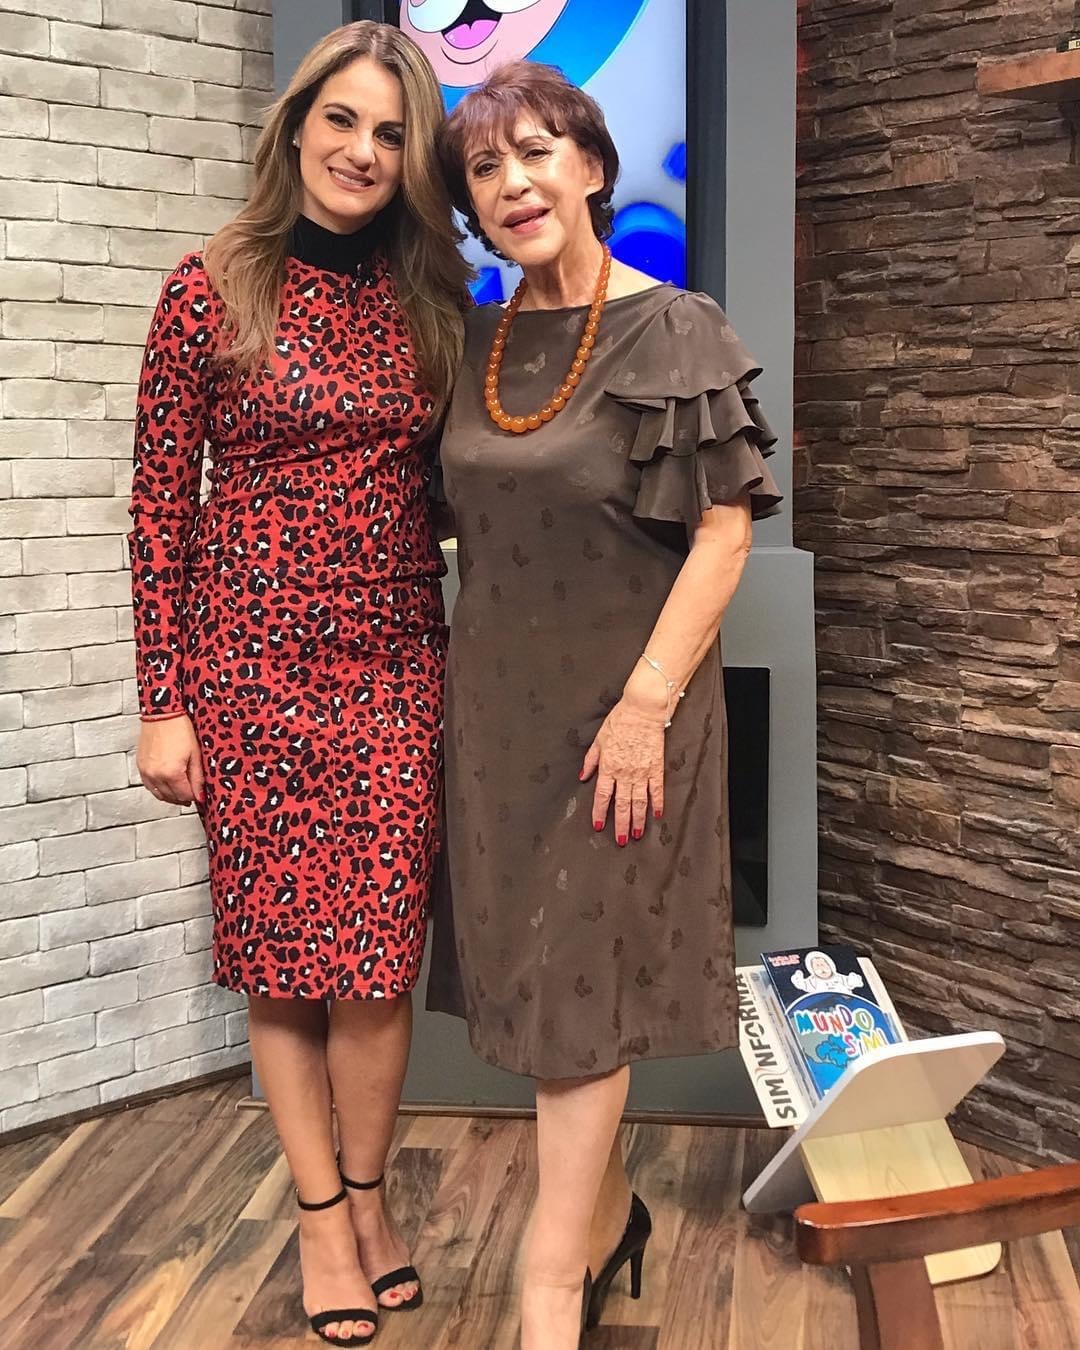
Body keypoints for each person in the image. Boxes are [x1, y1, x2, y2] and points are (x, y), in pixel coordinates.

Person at [427, 61, 783, 1348]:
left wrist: (644, 707)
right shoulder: (469, 344)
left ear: (589, 166)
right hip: (497, 716)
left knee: (580, 996)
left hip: (627, 715)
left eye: (536, 152)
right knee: (536, 994)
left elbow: (724, 538)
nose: (513, 183)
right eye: (484, 168)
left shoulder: (673, 327)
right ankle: (615, 1212)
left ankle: (549, 1285)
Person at [129, 22, 469, 1347]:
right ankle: (322, 1221)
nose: (363, 152)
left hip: (396, 664)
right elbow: (160, 507)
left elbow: (469, 484)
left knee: (377, 959)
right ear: (298, 124)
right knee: (282, 960)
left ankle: (370, 1201)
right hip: (249, 670)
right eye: (344, 120)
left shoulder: (433, 298)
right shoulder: (210, 286)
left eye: (391, 133)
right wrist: (163, 699)